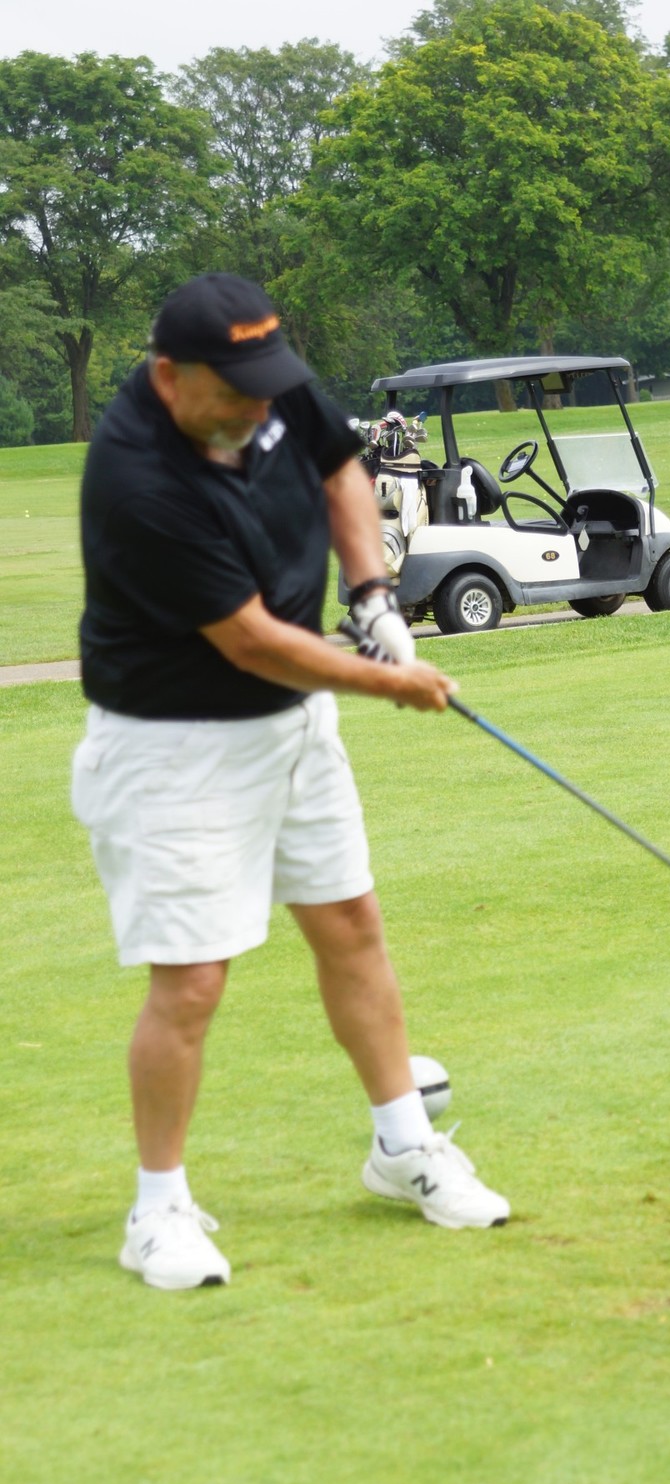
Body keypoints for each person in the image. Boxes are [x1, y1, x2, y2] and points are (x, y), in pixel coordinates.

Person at [73, 272, 509, 1292]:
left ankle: (402, 1146)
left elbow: (339, 464)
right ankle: (157, 1209)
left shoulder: (264, 384)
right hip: (174, 745)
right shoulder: (137, 479)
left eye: (267, 387)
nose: (257, 408)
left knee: (351, 922)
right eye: (234, 394)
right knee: (192, 979)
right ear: (169, 376)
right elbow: (252, 642)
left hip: (292, 725)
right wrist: (391, 681)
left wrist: (373, 596)